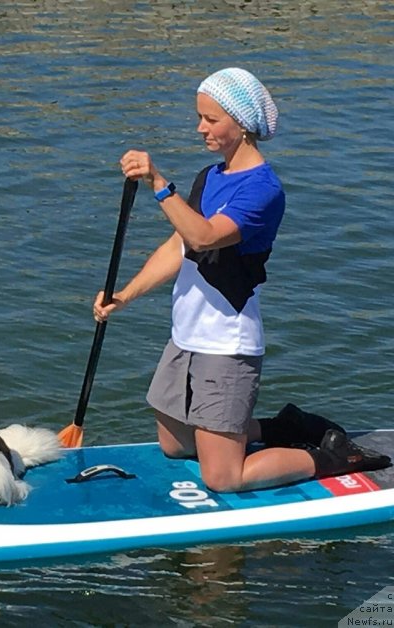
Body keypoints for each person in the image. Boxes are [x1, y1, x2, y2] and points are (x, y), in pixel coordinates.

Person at [93, 67, 389, 492]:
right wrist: (125, 295)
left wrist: (158, 182)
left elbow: (204, 235)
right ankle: (283, 426)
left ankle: (329, 455)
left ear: (243, 124)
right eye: (199, 117)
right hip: (186, 337)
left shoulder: (264, 190)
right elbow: (180, 245)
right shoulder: (209, 177)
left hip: (227, 345)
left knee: (223, 478)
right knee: (176, 446)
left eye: (211, 120)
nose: (200, 128)